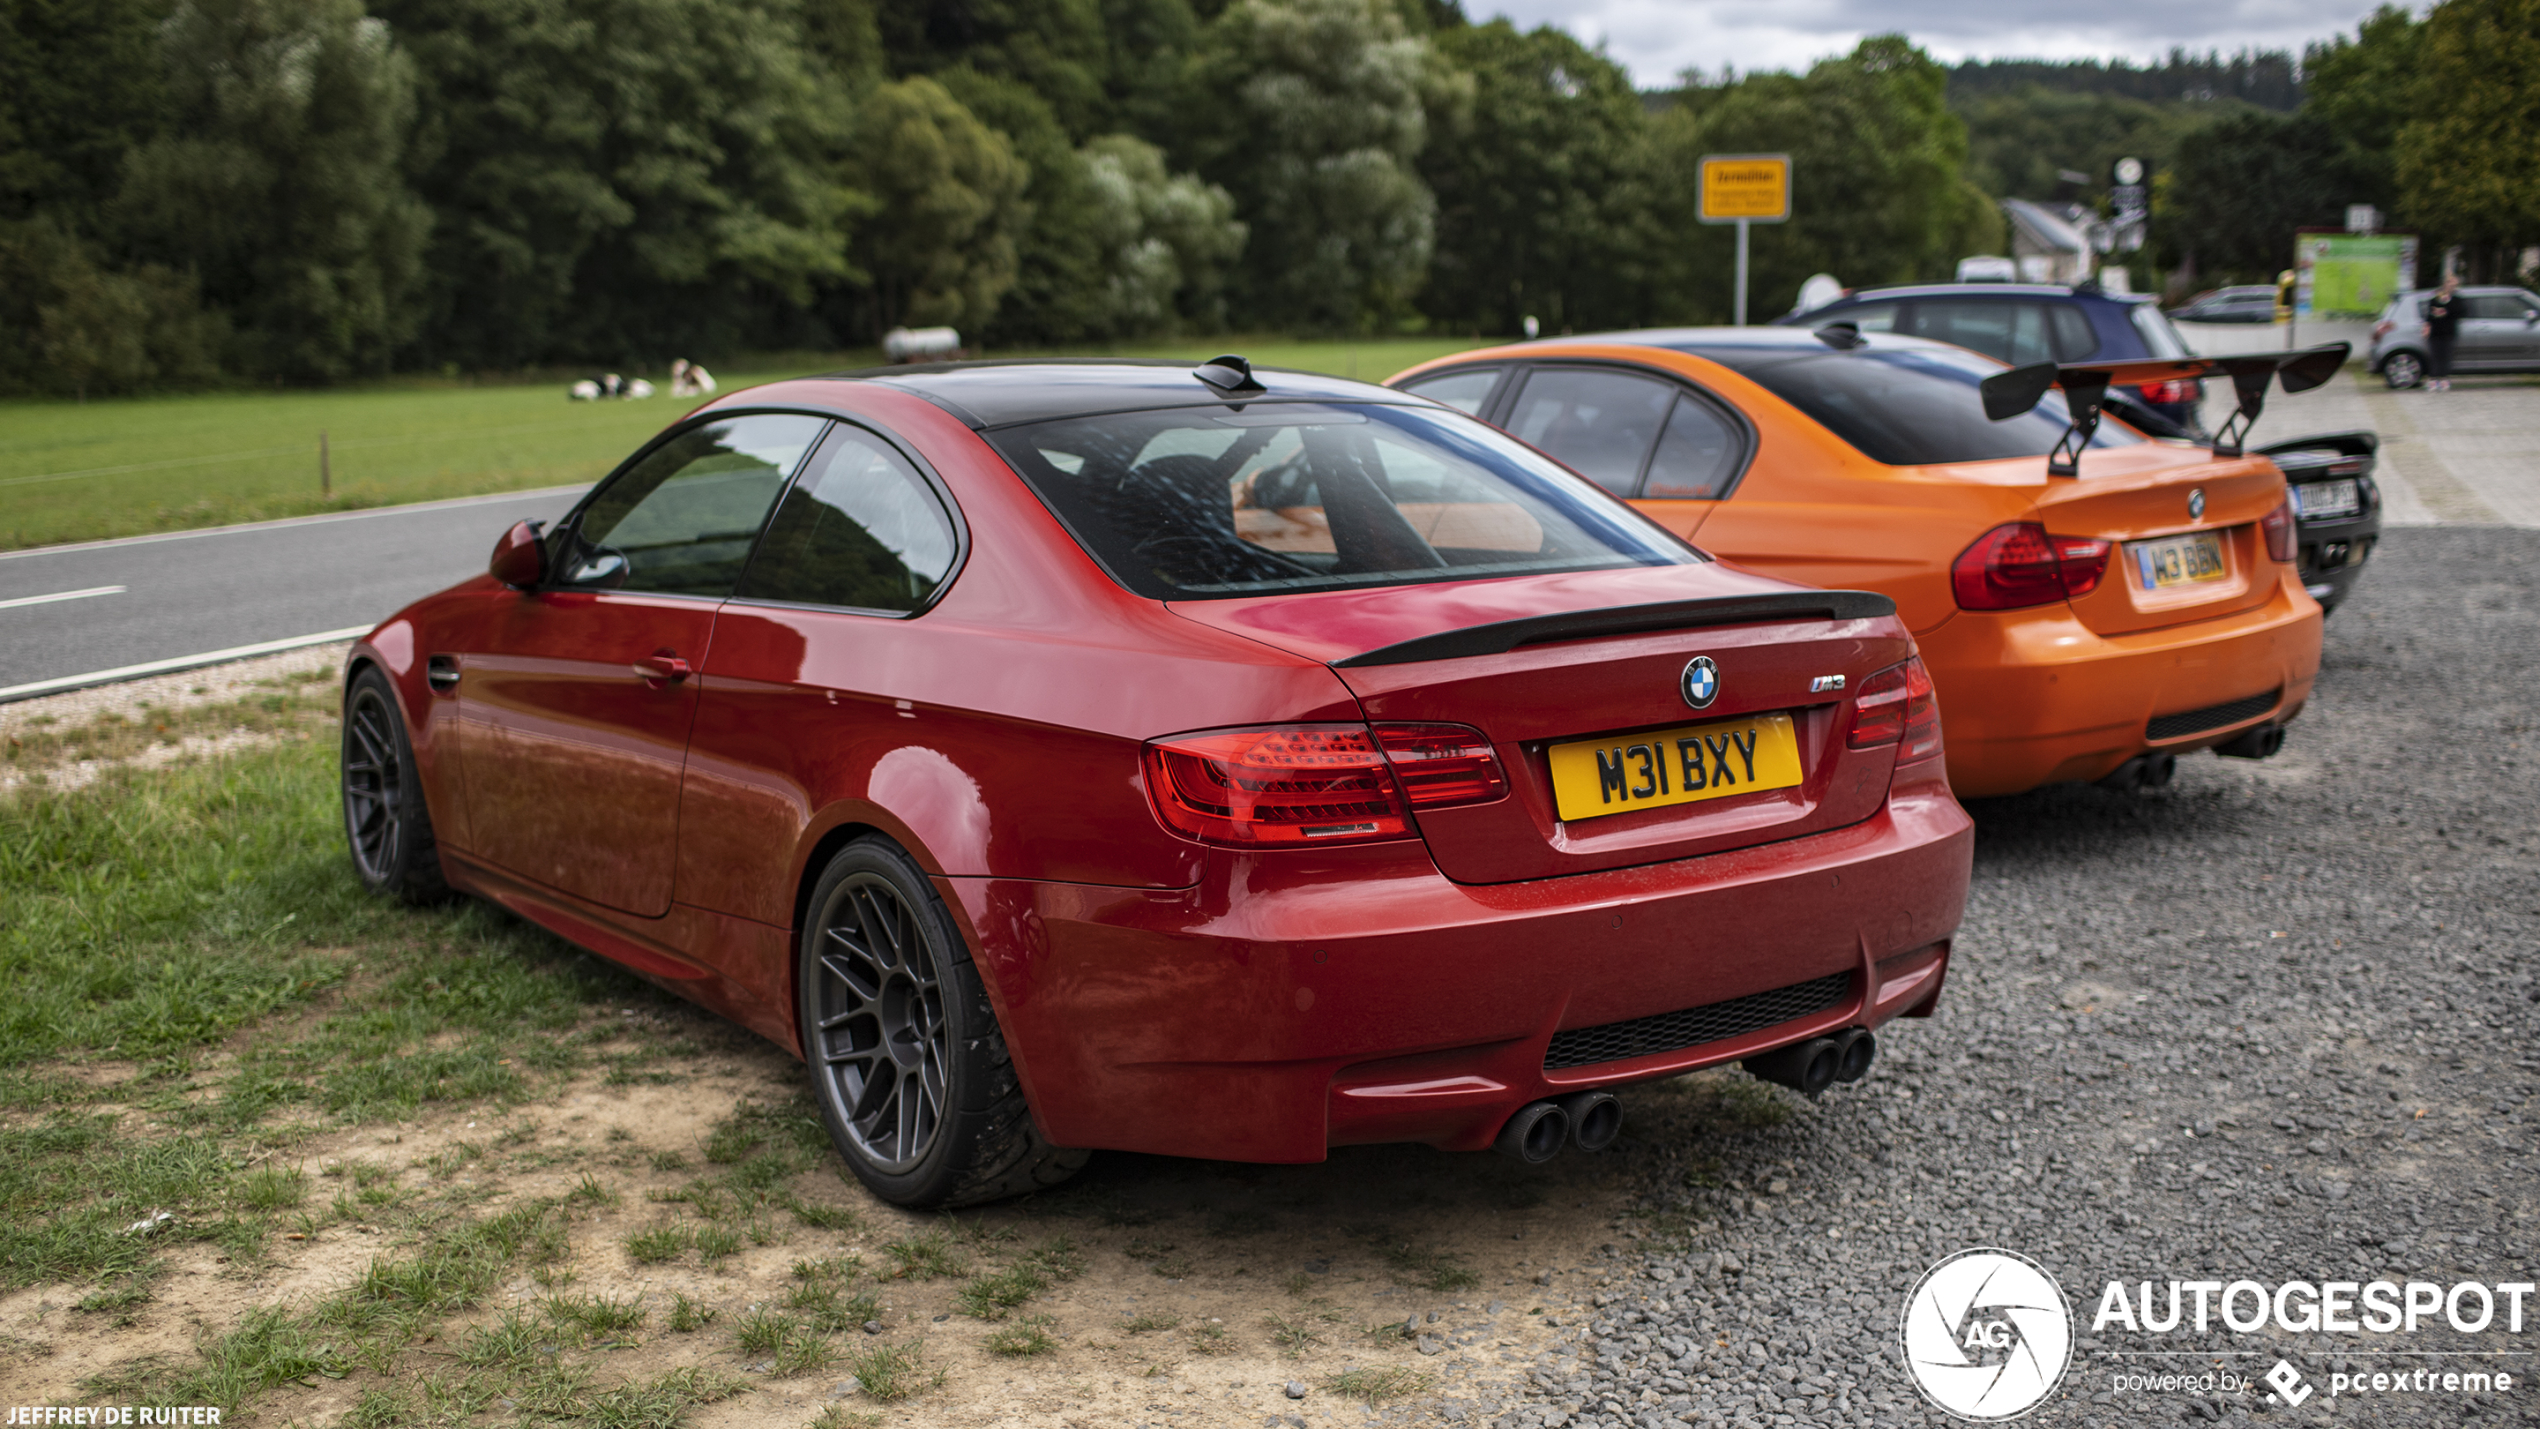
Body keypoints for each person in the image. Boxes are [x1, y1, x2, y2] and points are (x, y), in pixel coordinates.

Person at [2421, 274, 2462, 391]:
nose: (2452, 286)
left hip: (2449, 332)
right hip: (2435, 332)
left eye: (2454, 285)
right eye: (2450, 284)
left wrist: (2446, 310)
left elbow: (2459, 312)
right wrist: (2435, 314)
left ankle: (2444, 379)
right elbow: (2429, 313)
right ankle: (2433, 380)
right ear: (2445, 284)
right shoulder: (2436, 297)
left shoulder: (2457, 299)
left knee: (2446, 357)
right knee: (2435, 356)